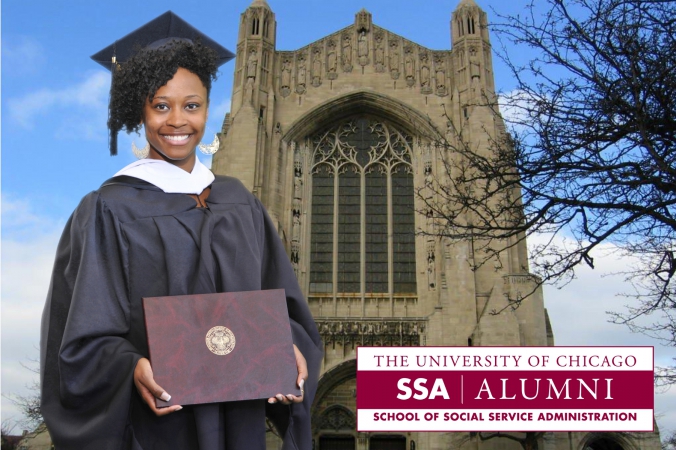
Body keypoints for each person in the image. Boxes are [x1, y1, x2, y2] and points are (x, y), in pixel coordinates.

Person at [40, 11, 322, 450]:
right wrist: (130, 366)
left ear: (209, 109)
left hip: (239, 423)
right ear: (140, 110)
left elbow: (282, 304)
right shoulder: (109, 208)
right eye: (161, 105)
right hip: (159, 427)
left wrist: (291, 350)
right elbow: (82, 338)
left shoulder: (239, 203)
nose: (177, 121)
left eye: (191, 105)